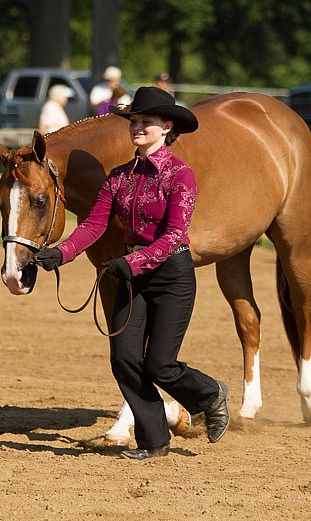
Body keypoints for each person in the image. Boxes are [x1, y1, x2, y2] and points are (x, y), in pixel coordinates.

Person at [34, 86, 230, 460]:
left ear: (166, 127)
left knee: (160, 364)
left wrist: (133, 262)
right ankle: (153, 441)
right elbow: (93, 224)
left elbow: (174, 236)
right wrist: (62, 254)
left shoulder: (180, 176)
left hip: (172, 275)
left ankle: (210, 394)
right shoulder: (118, 177)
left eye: (146, 122)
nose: (137, 127)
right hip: (131, 273)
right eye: (134, 121)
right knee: (124, 358)